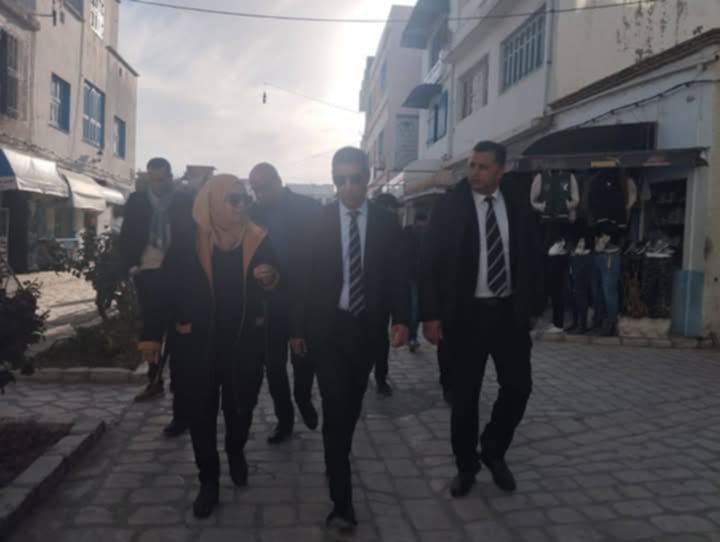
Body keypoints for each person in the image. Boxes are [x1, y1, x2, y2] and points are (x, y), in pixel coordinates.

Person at [290, 148, 410, 531]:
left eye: (355, 179)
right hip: (327, 329)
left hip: (366, 330)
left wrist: (402, 319)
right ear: (333, 181)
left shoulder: (387, 223)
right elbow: (301, 279)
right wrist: (296, 330)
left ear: (367, 178)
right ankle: (341, 501)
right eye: (340, 180)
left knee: (349, 408)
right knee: (336, 406)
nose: (348, 187)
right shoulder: (317, 222)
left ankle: (336, 453)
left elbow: (397, 275)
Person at [421, 141, 544, 498]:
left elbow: (533, 255)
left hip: (508, 314)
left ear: (500, 170)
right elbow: (428, 262)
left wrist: (533, 306)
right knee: (464, 397)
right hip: (465, 315)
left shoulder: (517, 204)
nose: (474, 172)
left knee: (519, 387)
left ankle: (493, 448)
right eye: (472, 165)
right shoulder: (450, 206)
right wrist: (430, 314)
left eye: (483, 166)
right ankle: (466, 466)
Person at [167, 174, 279, 519]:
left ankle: (235, 450)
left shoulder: (258, 237)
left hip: (243, 345)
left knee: (241, 410)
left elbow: (278, 279)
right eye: (233, 199)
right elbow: (166, 289)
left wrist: (271, 278)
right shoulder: (189, 239)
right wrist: (154, 334)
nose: (241, 206)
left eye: (245, 199)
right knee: (200, 416)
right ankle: (209, 482)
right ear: (214, 201)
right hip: (198, 345)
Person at [118, 157, 194, 438]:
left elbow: (193, 239)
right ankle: (154, 380)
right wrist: (129, 266)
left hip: (178, 277)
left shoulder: (185, 201)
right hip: (147, 273)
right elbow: (127, 235)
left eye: (162, 179)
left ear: (170, 177)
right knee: (151, 330)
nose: (157, 184)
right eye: (152, 179)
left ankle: (181, 406)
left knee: (179, 336)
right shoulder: (137, 201)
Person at [249, 163, 320, 444]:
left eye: (265, 187)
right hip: (271, 301)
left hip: (304, 297)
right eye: (256, 190)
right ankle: (285, 419)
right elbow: (249, 257)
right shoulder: (252, 215)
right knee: (274, 366)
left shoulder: (308, 208)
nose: (260, 195)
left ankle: (303, 398)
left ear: (279, 181)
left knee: (302, 358)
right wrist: (260, 272)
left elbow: (320, 256)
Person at [369, 192, 403, 396]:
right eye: (390, 208)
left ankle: (381, 377)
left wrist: (400, 315)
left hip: (382, 297)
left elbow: (398, 267)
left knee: (380, 340)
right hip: (361, 295)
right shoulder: (367, 224)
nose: (392, 212)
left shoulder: (392, 227)